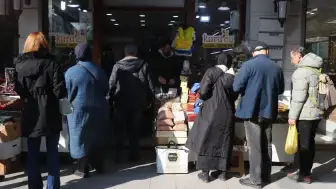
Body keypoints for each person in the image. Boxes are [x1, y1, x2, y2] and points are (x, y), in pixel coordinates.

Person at [14, 32, 66, 189]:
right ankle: (53, 186)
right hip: (50, 112)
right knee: (52, 153)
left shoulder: (20, 65)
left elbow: (19, 90)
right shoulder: (53, 64)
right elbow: (60, 92)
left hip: (30, 112)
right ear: (44, 44)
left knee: (33, 154)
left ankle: (34, 186)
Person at [233, 41, 284, 188]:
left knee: (255, 146)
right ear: (266, 52)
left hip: (252, 111)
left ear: (254, 53)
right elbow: (280, 90)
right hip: (269, 111)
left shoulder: (248, 65)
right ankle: (266, 176)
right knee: (266, 144)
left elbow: (236, 86)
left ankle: (255, 180)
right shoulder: (277, 68)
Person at [186, 53, 237, 183]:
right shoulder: (232, 76)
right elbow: (235, 95)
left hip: (210, 112)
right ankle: (223, 173)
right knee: (224, 141)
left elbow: (203, 91)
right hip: (227, 113)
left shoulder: (211, 71)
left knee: (207, 139)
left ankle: (205, 174)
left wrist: (202, 98)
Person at [65, 43, 110, 178]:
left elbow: (66, 93)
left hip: (79, 110)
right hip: (99, 108)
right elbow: (106, 89)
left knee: (80, 137)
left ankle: (82, 168)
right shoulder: (99, 70)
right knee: (97, 136)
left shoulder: (71, 72)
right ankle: (99, 165)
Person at [109, 44, 154, 162]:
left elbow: (112, 84)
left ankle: (118, 157)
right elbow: (150, 84)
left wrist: (109, 99)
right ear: (136, 52)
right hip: (137, 103)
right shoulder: (144, 64)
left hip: (120, 102)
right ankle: (134, 155)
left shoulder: (117, 66)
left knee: (119, 131)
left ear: (125, 53)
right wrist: (150, 100)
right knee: (134, 130)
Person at [287, 47, 323, 184]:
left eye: (292, 58)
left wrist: (292, 116)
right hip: (316, 114)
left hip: (305, 115)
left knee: (304, 145)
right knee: (310, 143)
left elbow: (298, 98)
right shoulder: (316, 69)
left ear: (299, 56)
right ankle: (302, 170)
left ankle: (304, 174)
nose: (292, 61)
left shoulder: (301, 72)